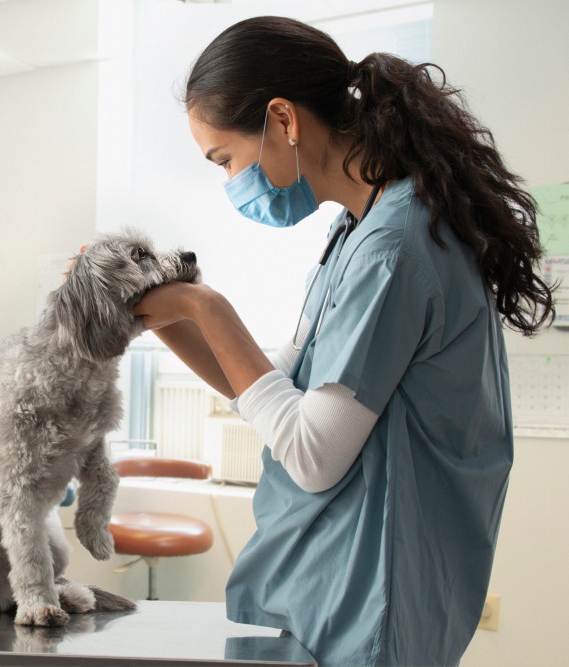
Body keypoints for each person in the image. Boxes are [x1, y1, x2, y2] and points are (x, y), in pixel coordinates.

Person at [131, 15, 554, 667]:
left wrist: (201, 304)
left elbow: (313, 450)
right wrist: (162, 316)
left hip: (371, 607)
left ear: (282, 120)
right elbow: (276, 391)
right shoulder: (353, 236)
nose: (230, 183)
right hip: (328, 593)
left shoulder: (394, 248)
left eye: (226, 159)